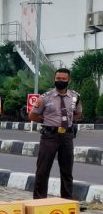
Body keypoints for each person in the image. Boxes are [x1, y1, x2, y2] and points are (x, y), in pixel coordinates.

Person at [29, 67, 82, 199]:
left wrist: (68, 121)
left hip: (67, 137)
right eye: (58, 78)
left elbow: (78, 113)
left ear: (69, 80)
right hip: (49, 136)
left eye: (64, 79)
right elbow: (32, 115)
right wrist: (47, 121)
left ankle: (67, 199)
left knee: (67, 170)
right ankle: (39, 200)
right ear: (54, 79)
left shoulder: (75, 97)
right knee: (43, 169)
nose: (60, 81)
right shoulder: (45, 98)